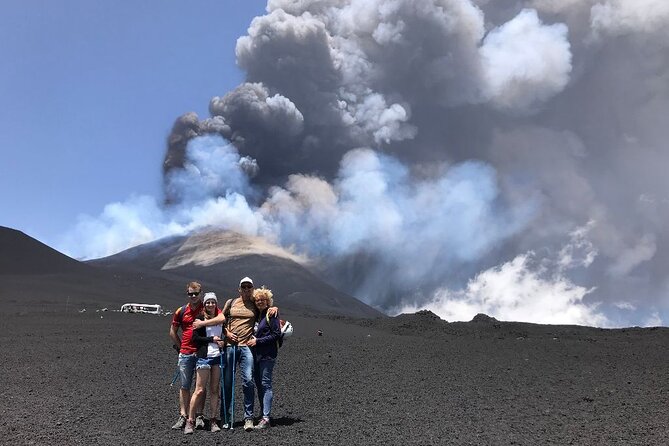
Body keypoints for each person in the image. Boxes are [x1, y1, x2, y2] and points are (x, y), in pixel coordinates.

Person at [196, 276, 277, 431]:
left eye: (249, 287)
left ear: (252, 289)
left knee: (248, 381)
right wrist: (226, 333)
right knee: (227, 383)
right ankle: (226, 418)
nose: (246, 289)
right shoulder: (231, 302)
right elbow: (221, 319)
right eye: (243, 287)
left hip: (246, 347)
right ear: (239, 289)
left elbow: (264, 308)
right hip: (229, 347)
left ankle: (248, 418)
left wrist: (274, 308)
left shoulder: (254, 303)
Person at [168, 281, 221, 431]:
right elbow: (172, 332)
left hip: (201, 352)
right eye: (190, 293)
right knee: (185, 386)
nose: (192, 296)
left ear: (200, 294)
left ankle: (199, 415)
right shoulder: (181, 310)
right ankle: (183, 416)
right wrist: (181, 348)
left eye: (195, 293)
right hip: (185, 352)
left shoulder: (207, 309)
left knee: (200, 387)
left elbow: (221, 318)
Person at [184, 292, 225, 434]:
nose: (210, 304)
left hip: (217, 358)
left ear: (216, 303)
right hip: (204, 357)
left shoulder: (219, 318)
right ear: (205, 304)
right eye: (208, 302)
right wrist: (211, 340)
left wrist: (222, 342)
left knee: (215, 390)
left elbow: (222, 335)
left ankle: (213, 420)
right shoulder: (199, 319)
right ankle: (190, 420)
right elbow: (195, 338)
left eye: (213, 302)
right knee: (200, 390)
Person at [247, 286, 281, 429]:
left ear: (268, 301)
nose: (260, 302)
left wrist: (258, 341)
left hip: (267, 355)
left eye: (263, 300)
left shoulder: (271, 314)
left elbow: (276, 334)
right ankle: (263, 414)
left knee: (266, 384)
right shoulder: (257, 315)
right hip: (256, 355)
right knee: (259, 385)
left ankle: (266, 417)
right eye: (258, 300)